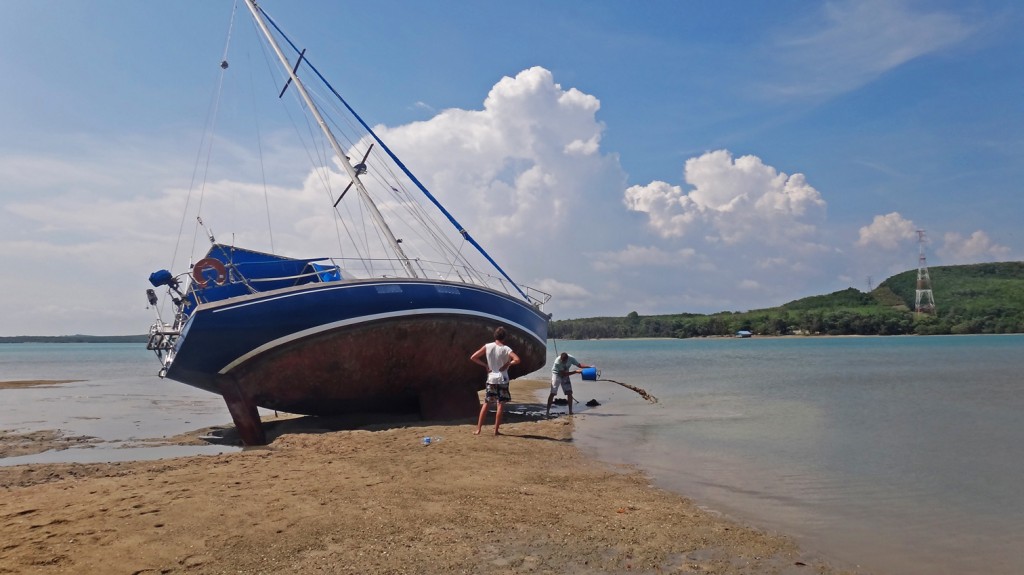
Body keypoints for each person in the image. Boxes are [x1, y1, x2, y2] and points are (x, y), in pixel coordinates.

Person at [469, 326, 520, 435]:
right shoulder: (506, 349)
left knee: (486, 403)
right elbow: (517, 359)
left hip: (491, 378)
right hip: (502, 379)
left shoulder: (488, 346)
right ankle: (496, 430)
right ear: (504, 337)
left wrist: (485, 365)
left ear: (495, 336)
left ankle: (478, 429)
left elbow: (473, 357)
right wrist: (508, 363)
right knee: (500, 405)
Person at [547, 352, 593, 416]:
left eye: (564, 361)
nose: (562, 362)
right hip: (556, 374)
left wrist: (589, 367)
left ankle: (570, 411)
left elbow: (579, 365)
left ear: (567, 359)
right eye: (562, 361)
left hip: (565, 373)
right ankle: (547, 412)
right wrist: (575, 371)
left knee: (569, 392)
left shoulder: (571, 358)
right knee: (553, 393)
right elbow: (564, 374)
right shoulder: (557, 362)